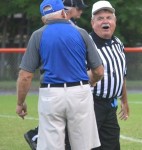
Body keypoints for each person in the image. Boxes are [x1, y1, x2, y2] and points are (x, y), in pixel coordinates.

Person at [16, 0, 104, 150]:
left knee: (51, 146)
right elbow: (99, 71)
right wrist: (92, 80)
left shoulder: (38, 35)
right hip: (80, 92)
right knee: (82, 145)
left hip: (51, 94)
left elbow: (25, 76)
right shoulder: (81, 32)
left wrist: (20, 103)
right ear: (64, 12)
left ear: (44, 18)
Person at [89, 1, 129, 150]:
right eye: (100, 18)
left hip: (110, 106)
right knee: (88, 145)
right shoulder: (86, 43)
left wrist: (124, 101)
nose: (105, 21)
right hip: (91, 104)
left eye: (108, 17)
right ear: (93, 23)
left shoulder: (118, 43)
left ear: (115, 21)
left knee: (111, 145)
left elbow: (121, 74)